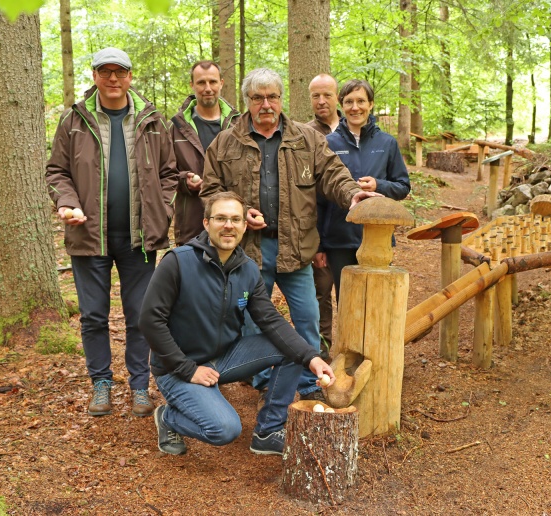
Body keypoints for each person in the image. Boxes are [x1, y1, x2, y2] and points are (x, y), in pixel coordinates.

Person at [200, 68, 380, 402]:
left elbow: (334, 174)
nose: (266, 105)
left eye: (272, 97)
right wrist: (240, 212)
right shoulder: (225, 142)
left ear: (281, 99)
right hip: (248, 252)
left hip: (296, 248)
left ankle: (311, 383)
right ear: (247, 101)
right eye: (258, 98)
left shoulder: (306, 139)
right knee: (253, 320)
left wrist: (352, 194)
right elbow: (210, 190)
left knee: (308, 317)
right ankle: (264, 381)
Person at [139, 192, 335, 456]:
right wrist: (188, 369)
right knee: (224, 430)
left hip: (224, 358)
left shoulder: (247, 269)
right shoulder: (178, 262)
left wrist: (311, 357)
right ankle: (167, 417)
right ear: (206, 223)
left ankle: (268, 431)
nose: (228, 225)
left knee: (293, 351)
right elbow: (150, 321)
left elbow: (270, 319)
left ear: (245, 225)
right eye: (220, 218)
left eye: (235, 219)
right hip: (178, 368)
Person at [45, 47, 178, 418]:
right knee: (92, 316)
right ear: (95, 76)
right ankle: (101, 383)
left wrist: (163, 212)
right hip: (89, 236)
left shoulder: (152, 120)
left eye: (120, 72)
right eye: (106, 72)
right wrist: (66, 203)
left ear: (130, 76)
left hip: (140, 238)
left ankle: (139, 386)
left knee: (140, 315)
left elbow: (169, 174)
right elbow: (56, 171)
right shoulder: (74, 120)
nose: (113, 79)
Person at [320, 79, 411, 295]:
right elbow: (319, 196)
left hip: (378, 236)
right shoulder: (328, 143)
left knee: (378, 296)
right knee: (347, 299)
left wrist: (379, 185)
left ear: (371, 104)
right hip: (339, 238)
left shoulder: (387, 143)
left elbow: (402, 186)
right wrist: (319, 245)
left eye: (361, 101)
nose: (355, 107)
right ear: (341, 105)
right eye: (349, 102)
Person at [169, 61, 240, 245]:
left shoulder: (239, 126)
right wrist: (184, 180)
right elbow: (164, 173)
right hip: (192, 223)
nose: (207, 88)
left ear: (221, 83)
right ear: (192, 85)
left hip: (232, 225)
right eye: (201, 82)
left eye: (212, 82)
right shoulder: (176, 128)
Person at [306, 73, 342, 353]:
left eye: (327, 95)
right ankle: (322, 352)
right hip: (319, 230)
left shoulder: (352, 130)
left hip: (350, 232)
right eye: (315, 96)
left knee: (353, 295)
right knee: (321, 294)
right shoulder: (304, 134)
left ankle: (354, 349)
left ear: (336, 96)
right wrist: (316, 243)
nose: (321, 101)